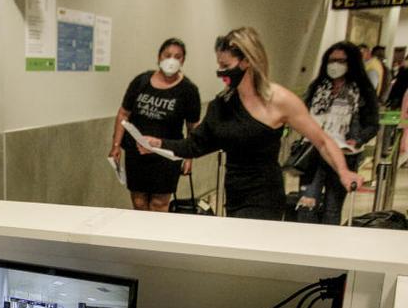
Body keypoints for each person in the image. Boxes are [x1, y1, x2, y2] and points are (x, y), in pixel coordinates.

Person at [140, 27, 364, 220]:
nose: (221, 72)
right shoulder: (223, 102)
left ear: (247, 61)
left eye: (226, 65)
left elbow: (322, 141)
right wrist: (158, 143)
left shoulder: (280, 100)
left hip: (264, 195)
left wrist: (343, 171)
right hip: (234, 194)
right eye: (219, 64)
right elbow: (196, 145)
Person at [110, 38, 202, 212]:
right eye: (168, 55)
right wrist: (115, 146)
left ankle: (155, 238)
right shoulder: (141, 82)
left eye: (177, 56)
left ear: (183, 61)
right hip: (137, 153)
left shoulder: (188, 90)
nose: (172, 60)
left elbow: (192, 126)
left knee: (159, 204)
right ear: (159, 57)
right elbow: (123, 113)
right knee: (139, 202)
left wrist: (189, 157)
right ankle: (140, 237)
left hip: (166, 155)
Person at [296, 42, 379, 225]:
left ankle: (327, 246)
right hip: (313, 153)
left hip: (345, 154)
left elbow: (372, 124)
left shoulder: (362, 90)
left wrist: (357, 140)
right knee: (306, 204)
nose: (335, 65)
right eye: (332, 60)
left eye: (341, 61)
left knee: (332, 209)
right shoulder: (317, 87)